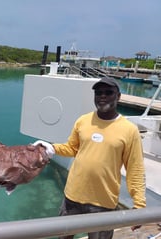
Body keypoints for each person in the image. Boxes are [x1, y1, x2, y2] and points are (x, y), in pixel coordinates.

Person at [33, 77, 146, 239]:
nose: (102, 96)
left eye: (108, 93)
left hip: (103, 203)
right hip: (72, 197)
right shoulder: (83, 121)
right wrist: (51, 148)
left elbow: (135, 168)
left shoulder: (130, 130)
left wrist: (139, 204)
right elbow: (72, 148)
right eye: (98, 93)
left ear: (118, 96)